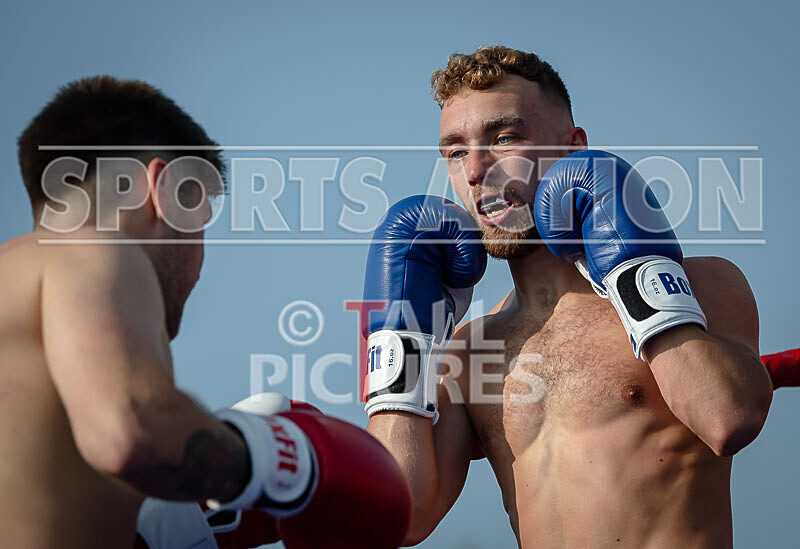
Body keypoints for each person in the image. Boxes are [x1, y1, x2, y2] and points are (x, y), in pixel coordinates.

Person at [363, 46, 773, 548]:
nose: (476, 171)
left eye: (504, 138)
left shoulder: (707, 285)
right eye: (455, 151)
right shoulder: (471, 351)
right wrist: (402, 339)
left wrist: (640, 276)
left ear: (573, 149)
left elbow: (726, 417)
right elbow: (400, 515)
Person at [5, 76, 410, 549]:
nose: (200, 261)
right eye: (201, 221)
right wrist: (280, 459)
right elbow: (129, 432)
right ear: (165, 190)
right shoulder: (95, 250)